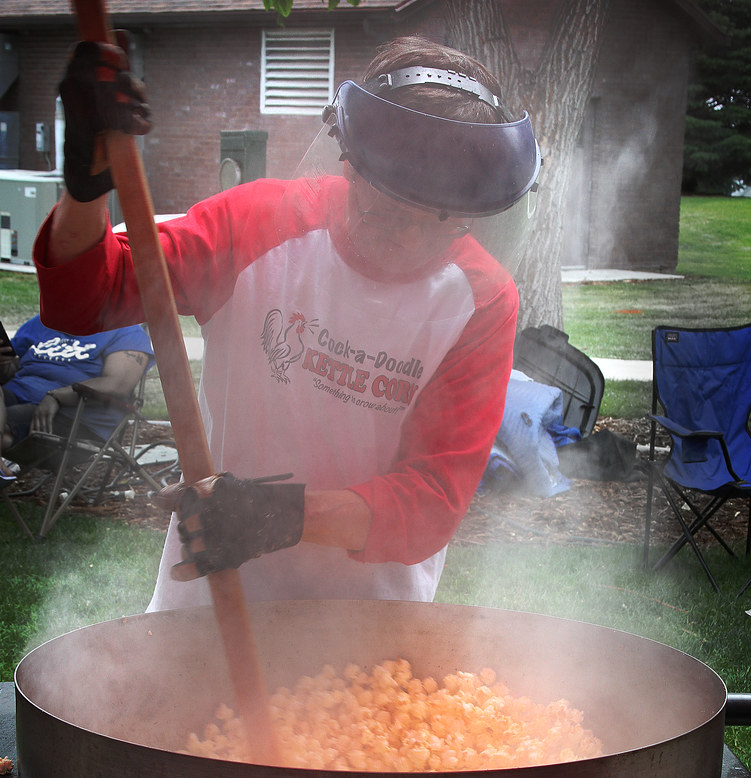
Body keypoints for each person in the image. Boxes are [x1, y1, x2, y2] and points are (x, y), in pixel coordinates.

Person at [33, 35, 540, 610]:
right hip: (217, 596)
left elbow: (430, 502)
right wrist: (84, 188)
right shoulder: (260, 224)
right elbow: (87, 295)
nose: (411, 240)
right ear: (351, 161)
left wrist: (281, 515)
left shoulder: (481, 300)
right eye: (392, 211)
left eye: (443, 223)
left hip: (371, 618)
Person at [0, 314, 153, 480]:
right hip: (14, 396)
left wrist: (56, 396)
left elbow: (118, 385)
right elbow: (10, 367)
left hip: (71, 415)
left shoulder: (124, 330)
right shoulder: (41, 323)